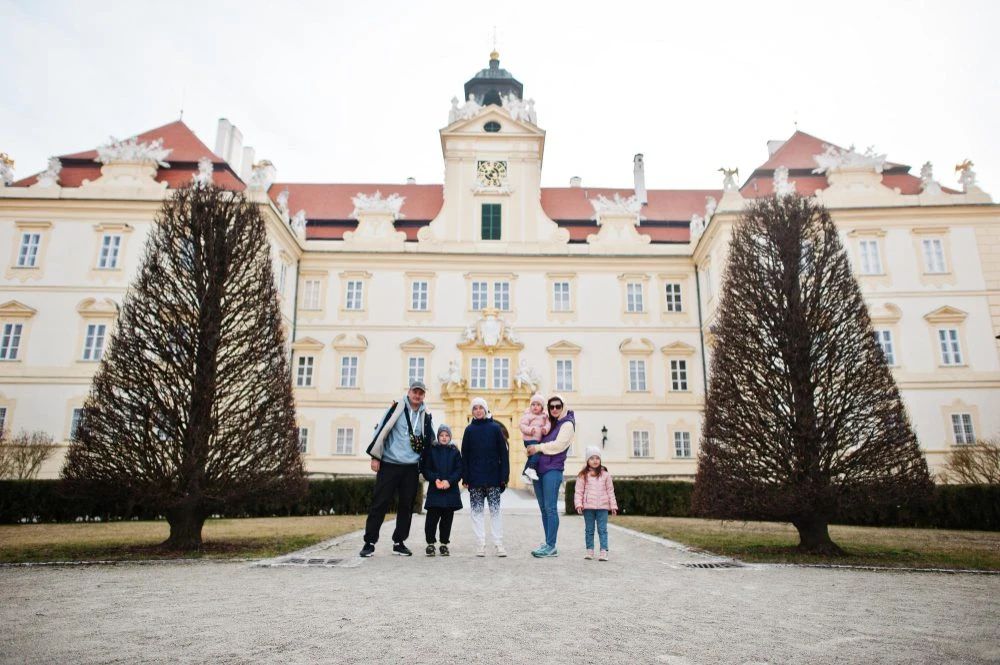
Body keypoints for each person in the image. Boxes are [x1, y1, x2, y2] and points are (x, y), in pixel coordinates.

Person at [360, 379, 434, 557]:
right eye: (415, 392)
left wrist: (448, 447)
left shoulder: (426, 416)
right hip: (390, 464)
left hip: (410, 467)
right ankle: (369, 542)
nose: (417, 395)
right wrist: (375, 456)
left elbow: (431, 440)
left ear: (424, 395)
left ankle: (399, 542)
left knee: (406, 506)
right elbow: (381, 430)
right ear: (409, 392)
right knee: (379, 503)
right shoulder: (396, 408)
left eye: (420, 393)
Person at [526, 394, 575, 558]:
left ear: (563, 407)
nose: (554, 409)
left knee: (551, 508)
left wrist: (538, 448)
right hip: (539, 469)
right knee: (544, 509)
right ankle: (548, 542)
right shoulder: (551, 423)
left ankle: (551, 546)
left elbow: (558, 446)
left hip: (553, 470)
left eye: (557, 406)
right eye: (551, 406)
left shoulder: (567, 424)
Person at [461, 397, 509, 557]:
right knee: (476, 512)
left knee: (495, 511)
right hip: (475, 479)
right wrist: (465, 477)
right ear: (472, 411)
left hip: (493, 478)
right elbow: (465, 456)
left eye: (481, 407)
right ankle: (480, 543)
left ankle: (498, 543)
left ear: (486, 409)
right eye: (475, 408)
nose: (478, 410)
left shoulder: (495, 429)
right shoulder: (469, 430)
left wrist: (504, 476)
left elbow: (504, 454)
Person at [421, 424, 463, 556]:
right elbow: (426, 469)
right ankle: (430, 544)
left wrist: (449, 481)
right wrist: (436, 479)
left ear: (450, 437)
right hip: (435, 490)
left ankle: (444, 544)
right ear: (438, 436)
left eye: (446, 435)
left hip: (450, 491)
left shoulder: (455, 451)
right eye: (441, 435)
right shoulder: (432, 450)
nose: (444, 438)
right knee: (431, 519)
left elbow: (459, 470)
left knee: (447, 519)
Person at [574, 446, 618, 561]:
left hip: (602, 507)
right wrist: (578, 504)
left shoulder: (605, 475)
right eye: (592, 458)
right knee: (589, 530)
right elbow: (579, 491)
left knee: (602, 529)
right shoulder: (583, 475)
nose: (595, 460)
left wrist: (613, 506)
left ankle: (604, 551)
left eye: (597, 458)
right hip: (588, 507)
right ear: (587, 460)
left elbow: (610, 491)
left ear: (600, 460)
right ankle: (590, 551)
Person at [518, 393, 551, 482]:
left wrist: (545, 429)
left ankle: (524, 474)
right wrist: (530, 430)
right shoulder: (528, 415)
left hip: (537, 439)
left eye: (538, 405)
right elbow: (521, 425)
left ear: (542, 407)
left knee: (531, 457)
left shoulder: (544, 416)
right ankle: (531, 469)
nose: (535, 407)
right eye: (533, 404)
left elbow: (548, 424)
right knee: (537, 453)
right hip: (529, 439)